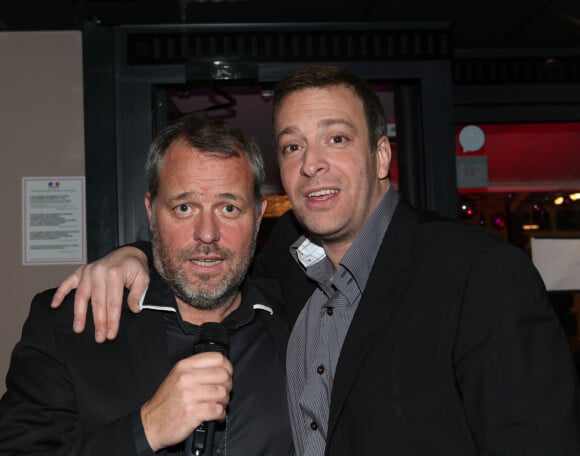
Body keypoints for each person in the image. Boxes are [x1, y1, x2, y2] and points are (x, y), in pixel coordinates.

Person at [50, 66, 580, 455]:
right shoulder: (288, 267)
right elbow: (207, 251)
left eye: (336, 138)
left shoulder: (477, 272)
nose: (312, 165)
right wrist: (132, 254)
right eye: (292, 146)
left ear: (380, 156)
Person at [0, 113, 292, 455]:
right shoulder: (70, 324)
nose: (208, 234)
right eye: (184, 207)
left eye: (229, 208)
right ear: (151, 213)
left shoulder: (296, 325)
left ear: (258, 215)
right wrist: (147, 428)